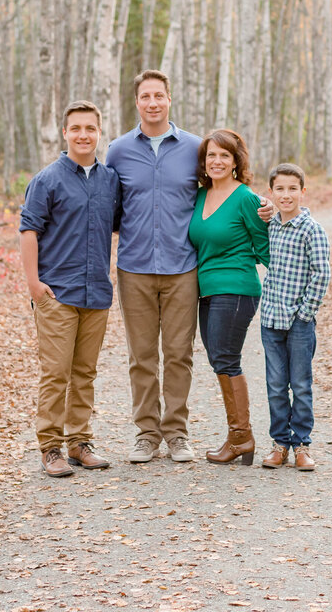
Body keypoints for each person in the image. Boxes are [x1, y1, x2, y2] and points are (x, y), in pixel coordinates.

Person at [19, 101, 121, 478]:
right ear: (65, 133)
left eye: (90, 128)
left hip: (96, 293)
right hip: (57, 293)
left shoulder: (110, 179)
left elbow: (120, 225)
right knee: (56, 373)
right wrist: (34, 284)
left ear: (99, 132)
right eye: (76, 128)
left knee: (85, 372)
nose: (83, 135)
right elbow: (29, 230)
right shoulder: (47, 179)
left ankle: (80, 442)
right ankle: (51, 447)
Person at [106, 71, 204, 463]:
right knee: (142, 356)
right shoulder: (118, 150)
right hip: (135, 268)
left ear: (169, 99)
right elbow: (110, 208)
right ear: (136, 102)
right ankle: (147, 433)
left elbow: (222, 191)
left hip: (183, 267)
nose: (152, 102)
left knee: (179, 354)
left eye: (159, 95)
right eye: (145, 96)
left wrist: (261, 206)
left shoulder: (196, 148)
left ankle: (176, 433)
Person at [187, 129, 270, 465]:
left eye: (225, 155)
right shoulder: (199, 196)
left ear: (236, 161)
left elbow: (266, 249)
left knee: (226, 358)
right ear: (204, 162)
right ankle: (239, 437)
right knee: (219, 359)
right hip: (206, 289)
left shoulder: (246, 199)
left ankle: (241, 437)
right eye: (211, 155)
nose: (217, 161)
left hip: (236, 288)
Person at [258, 163, 331, 471]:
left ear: (303, 192)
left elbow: (321, 273)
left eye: (292, 189)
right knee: (276, 385)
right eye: (279, 189)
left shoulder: (312, 229)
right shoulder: (271, 225)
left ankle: (301, 444)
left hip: (299, 322)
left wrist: (306, 313)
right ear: (271, 193)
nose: (285, 195)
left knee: (300, 384)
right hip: (270, 320)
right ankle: (279, 443)